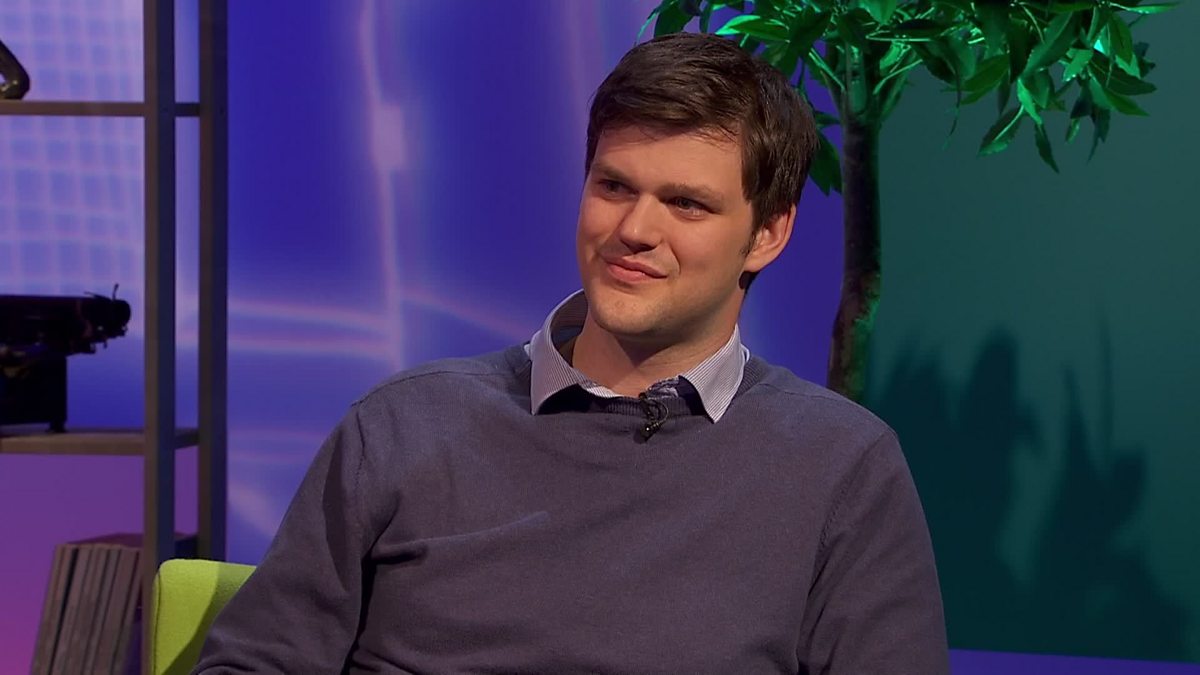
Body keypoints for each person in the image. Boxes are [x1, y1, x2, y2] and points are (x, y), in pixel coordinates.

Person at [194, 32, 948, 674]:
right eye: (614, 186)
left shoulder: (840, 468)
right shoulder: (402, 426)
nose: (635, 230)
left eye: (686, 204)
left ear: (768, 234)